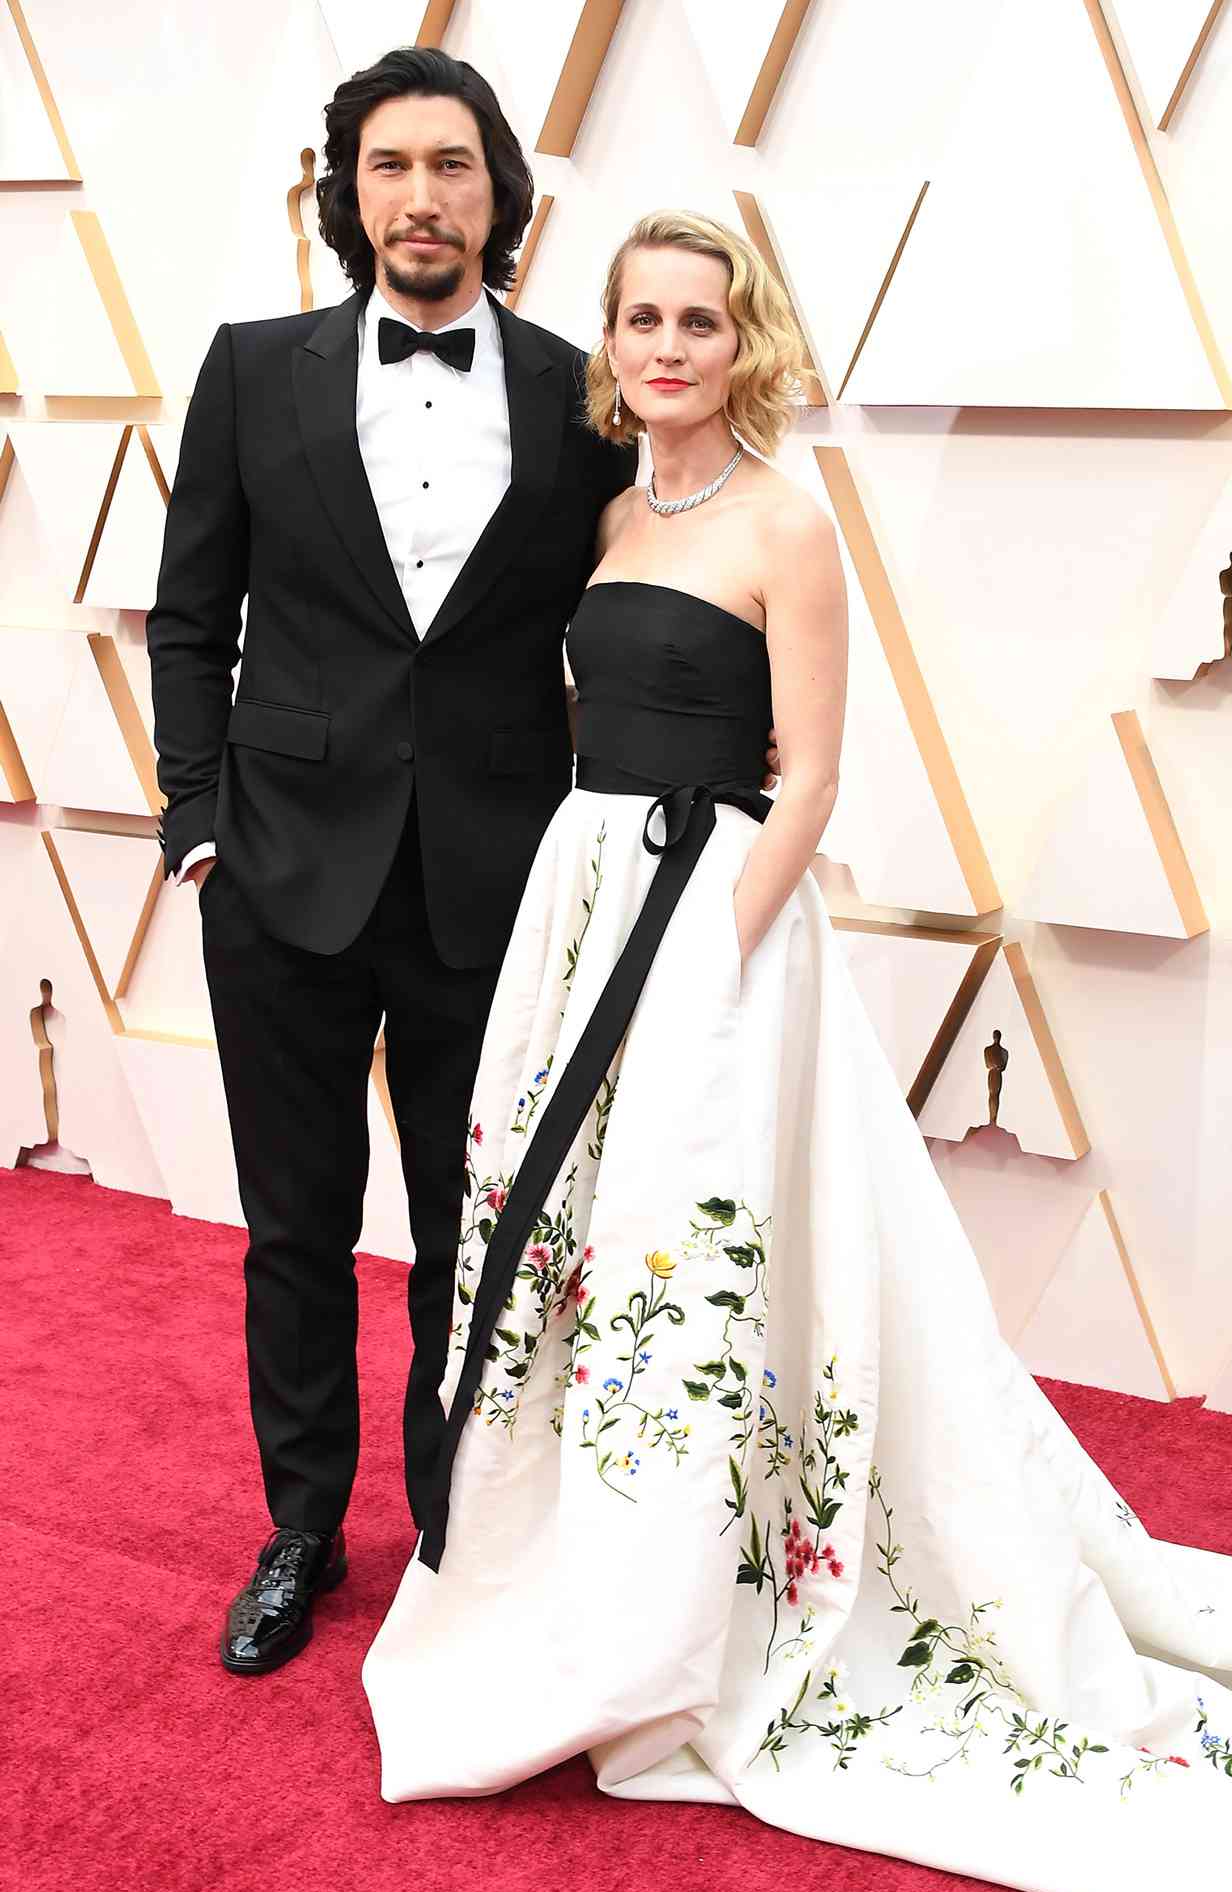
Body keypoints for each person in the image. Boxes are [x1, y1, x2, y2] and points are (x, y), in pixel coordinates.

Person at [362, 212, 1232, 1892]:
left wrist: (712, 963)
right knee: (589, 1266)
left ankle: (714, 1600)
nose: (666, 347)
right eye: (638, 319)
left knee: (707, 1258)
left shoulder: (789, 523)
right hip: (583, 913)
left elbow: (810, 783)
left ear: (743, 341)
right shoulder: (609, 518)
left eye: (699, 320)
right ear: (610, 345)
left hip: (713, 935)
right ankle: (596, 1579)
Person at [147, 48, 643, 1677]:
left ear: (502, 194)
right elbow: (190, 613)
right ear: (345, 193)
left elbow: (628, 622)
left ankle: (454, 1530)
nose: (420, 196)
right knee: (296, 1227)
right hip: (278, 873)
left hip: (491, 885)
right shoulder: (253, 366)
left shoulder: (586, 398)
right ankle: (302, 1531)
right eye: (388, 166)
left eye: (451, 165)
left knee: (465, 1226)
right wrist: (196, 819)